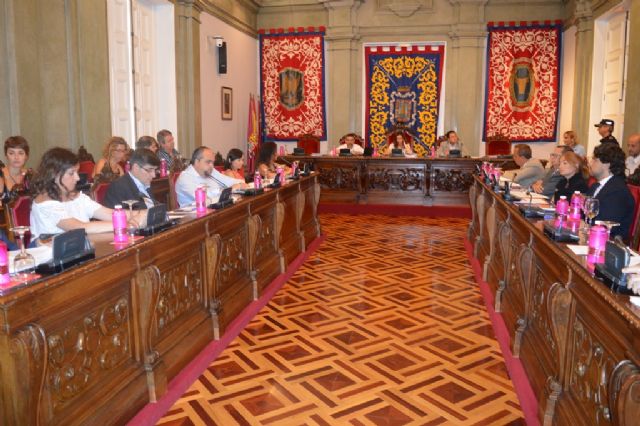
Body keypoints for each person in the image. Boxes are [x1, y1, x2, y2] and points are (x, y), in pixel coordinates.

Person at [30, 147, 146, 241]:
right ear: (55, 175)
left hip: (78, 252)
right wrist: (122, 224)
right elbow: (78, 227)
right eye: (71, 173)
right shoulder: (45, 203)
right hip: (50, 258)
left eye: (77, 172)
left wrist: (144, 214)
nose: (77, 178)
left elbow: (109, 213)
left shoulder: (77, 197)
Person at [588, 143, 634, 240]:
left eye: (594, 159)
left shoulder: (618, 191)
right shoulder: (595, 186)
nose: (590, 163)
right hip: (592, 236)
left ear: (607, 164)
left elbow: (606, 225)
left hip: (606, 242)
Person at [175, 146, 245, 207]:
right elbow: (205, 199)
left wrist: (239, 184)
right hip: (196, 216)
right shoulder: (185, 178)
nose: (212, 165)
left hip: (218, 210)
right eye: (208, 162)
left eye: (212, 162)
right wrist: (226, 190)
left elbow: (231, 181)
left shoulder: (211, 171)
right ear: (197, 162)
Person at [0, 136, 33, 202]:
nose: (16, 157)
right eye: (11, 153)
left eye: (20, 153)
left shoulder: (30, 175)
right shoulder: (1, 176)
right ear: (6, 155)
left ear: (26, 156)